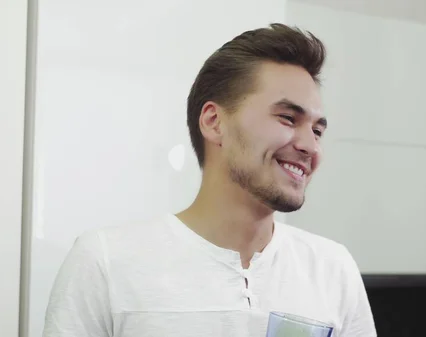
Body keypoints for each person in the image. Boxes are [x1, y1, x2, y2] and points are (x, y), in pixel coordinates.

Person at [43, 23, 377, 337]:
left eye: (318, 130)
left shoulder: (332, 269)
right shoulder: (106, 262)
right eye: (288, 118)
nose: (309, 145)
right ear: (214, 122)